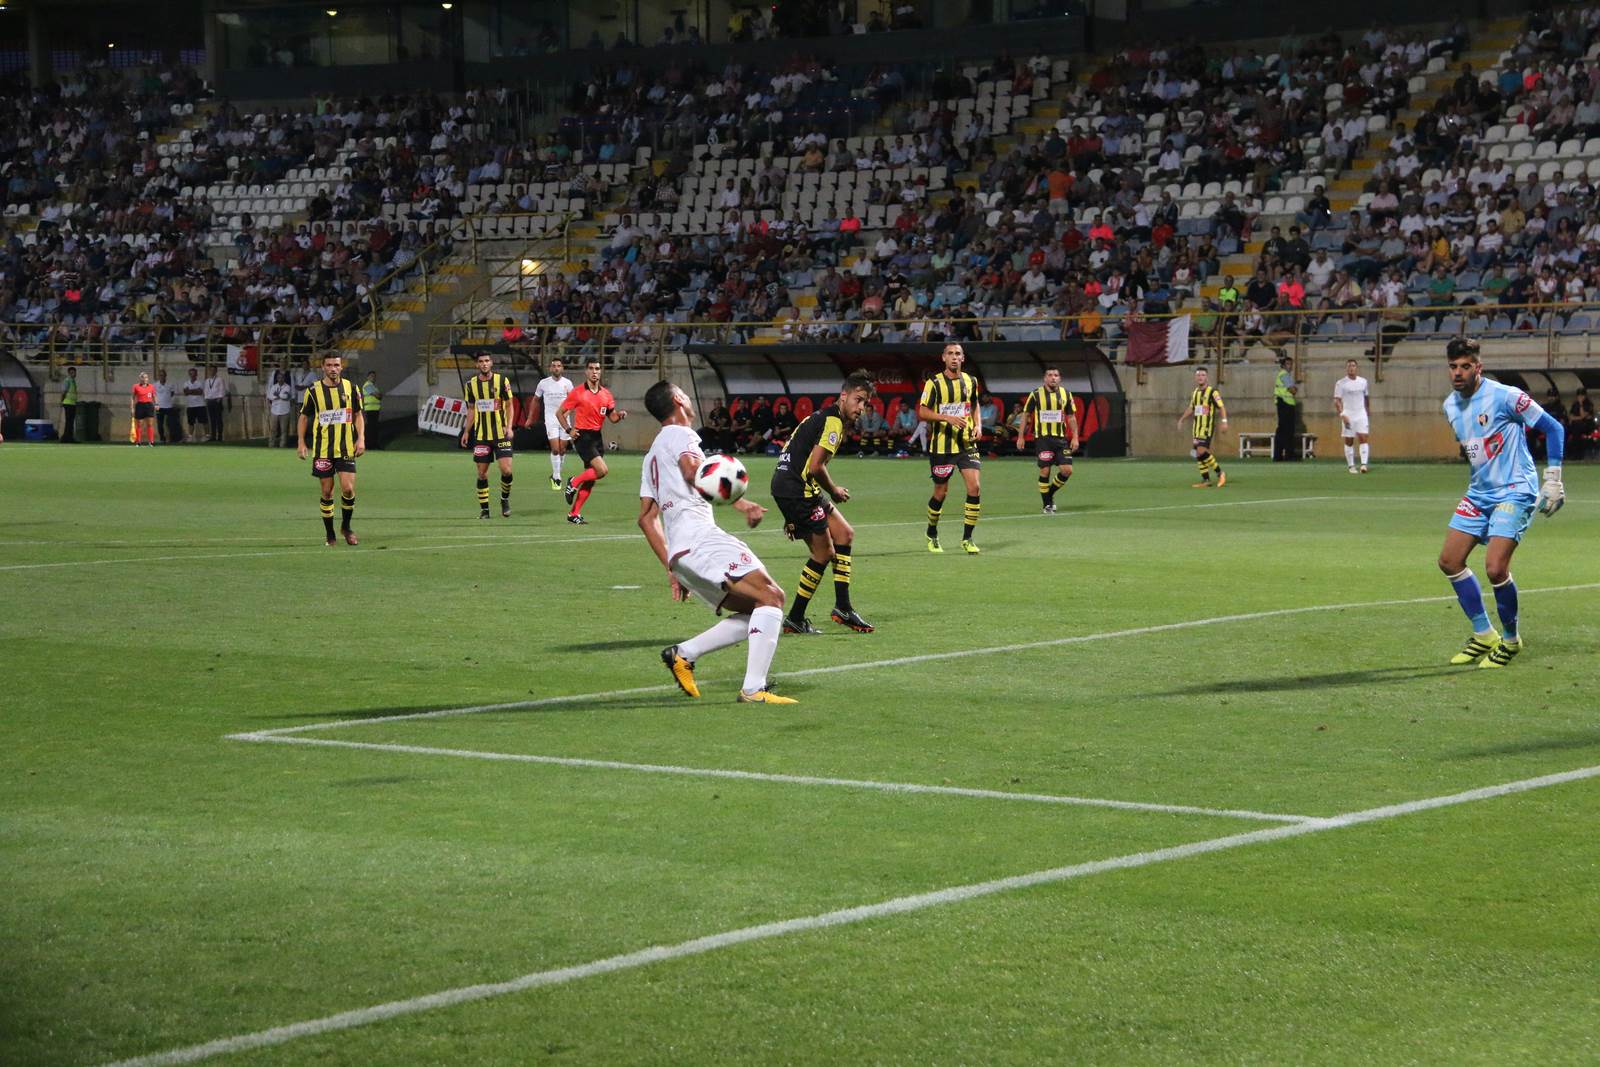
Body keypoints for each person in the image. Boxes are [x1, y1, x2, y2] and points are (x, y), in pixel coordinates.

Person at [637, 379, 795, 705]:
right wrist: (741, 503)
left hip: (683, 553)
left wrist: (672, 567)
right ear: (679, 399)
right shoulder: (681, 434)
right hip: (701, 539)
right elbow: (691, 469)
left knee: (760, 609)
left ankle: (684, 654)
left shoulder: (652, 453)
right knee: (772, 597)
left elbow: (647, 518)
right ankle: (753, 690)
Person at [1437, 337, 1565, 669]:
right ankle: (1484, 635)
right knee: (1450, 561)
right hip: (1479, 493)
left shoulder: (1506, 396)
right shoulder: (1450, 406)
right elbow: (1478, 450)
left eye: (1465, 366)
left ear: (1478, 367)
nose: (1458, 373)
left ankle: (1510, 639)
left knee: (1495, 567)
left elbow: (1553, 428)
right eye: (1453, 367)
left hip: (1515, 490)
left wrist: (1553, 478)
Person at [770, 371, 877, 635]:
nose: (861, 408)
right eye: (858, 400)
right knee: (823, 553)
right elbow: (816, 466)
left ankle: (842, 606)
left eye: (865, 403)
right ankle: (795, 618)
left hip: (794, 487)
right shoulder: (833, 423)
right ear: (844, 395)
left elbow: (794, 452)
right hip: (798, 490)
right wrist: (835, 490)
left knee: (844, 533)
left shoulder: (820, 416)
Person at [917, 343, 983, 554]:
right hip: (942, 446)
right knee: (941, 492)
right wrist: (947, 418)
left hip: (966, 444)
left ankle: (968, 538)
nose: (954, 357)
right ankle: (932, 532)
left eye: (958, 354)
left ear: (963, 358)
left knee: (974, 487)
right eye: (951, 354)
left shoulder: (971, 381)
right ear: (943, 358)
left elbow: (974, 404)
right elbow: (922, 412)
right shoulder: (934, 383)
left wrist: (978, 424)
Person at [297, 352, 366, 546]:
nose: (333, 369)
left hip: (345, 448)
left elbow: (359, 415)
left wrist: (361, 439)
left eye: (336, 365)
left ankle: (346, 526)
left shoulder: (351, 388)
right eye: (329, 365)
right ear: (323, 367)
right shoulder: (313, 390)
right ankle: (330, 534)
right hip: (323, 449)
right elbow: (303, 417)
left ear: (341, 367)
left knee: (348, 489)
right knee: (327, 492)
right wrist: (301, 442)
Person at [560, 358, 627, 524]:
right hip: (583, 437)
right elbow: (560, 413)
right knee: (602, 471)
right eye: (591, 368)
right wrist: (569, 430)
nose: (594, 371)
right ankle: (573, 482)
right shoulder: (577, 392)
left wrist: (619, 416)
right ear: (586, 371)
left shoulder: (606, 394)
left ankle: (573, 514)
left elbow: (611, 417)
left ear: (600, 371)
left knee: (591, 481)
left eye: (597, 368)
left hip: (597, 437)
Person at [460, 353, 517, 518]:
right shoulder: (471, 385)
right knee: (482, 473)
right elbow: (471, 409)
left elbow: (509, 405)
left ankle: (504, 500)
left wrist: (509, 426)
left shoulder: (501, 381)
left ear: (491, 363)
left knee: (506, 470)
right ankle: (485, 510)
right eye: (481, 362)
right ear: (477, 365)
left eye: (487, 361)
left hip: (501, 434)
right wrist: (466, 431)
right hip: (482, 436)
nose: (484, 364)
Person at [1018, 367, 1080, 513]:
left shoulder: (1066, 394)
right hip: (1043, 438)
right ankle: (1047, 504)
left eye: (1056, 375)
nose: (1053, 378)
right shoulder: (1035, 394)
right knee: (1045, 470)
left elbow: (1071, 417)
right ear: (1044, 378)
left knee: (1067, 470)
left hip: (1061, 439)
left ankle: (1049, 494)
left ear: (1060, 378)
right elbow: (1026, 415)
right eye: (1050, 375)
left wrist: (1075, 437)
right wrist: (1021, 437)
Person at [1176, 366, 1228, 488]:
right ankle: (1206, 480)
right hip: (1196, 428)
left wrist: (1224, 421)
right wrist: (1182, 419)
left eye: (1203, 375)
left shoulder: (1212, 392)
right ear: (1195, 377)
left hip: (1206, 427)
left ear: (1207, 377)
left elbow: (1221, 407)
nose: (1200, 377)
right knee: (1197, 454)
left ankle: (1220, 473)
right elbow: (1191, 408)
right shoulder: (1195, 393)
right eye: (1198, 375)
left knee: (1200, 451)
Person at [531, 357, 575, 489]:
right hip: (550, 420)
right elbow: (535, 399)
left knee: (562, 449)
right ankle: (557, 476)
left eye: (558, 365)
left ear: (562, 368)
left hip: (565, 421)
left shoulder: (568, 383)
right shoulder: (543, 383)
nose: (556, 368)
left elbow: (573, 402)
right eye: (554, 366)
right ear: (550, 368)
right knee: (555, 449)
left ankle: (557, 472)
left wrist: (566, 414)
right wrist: (530, 418)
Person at [1332, 358, 1372, 473]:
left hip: (1361, 413)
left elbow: (1366, 397)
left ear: (1356, 368)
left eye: (1353, 366)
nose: (1351, 368)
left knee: (1363, 437)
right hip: (1348, 413)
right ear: (1346, 368)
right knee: (1349, 440)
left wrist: (1367, 410)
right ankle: (1351, 466)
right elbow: (1337, 400)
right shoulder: (1341, 383)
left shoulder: (1363, 381)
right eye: (1349, 366)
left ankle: (1364, 465)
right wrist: (1342, 414)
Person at [1272, 354, 1299, 461]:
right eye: (1288, 364)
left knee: (1283, 430)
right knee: (1287, 431)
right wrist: (1294, 389)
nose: (1290, 366)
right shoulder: (1284, 375)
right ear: (1283, 365)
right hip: (1285, 404)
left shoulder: (1283, 375)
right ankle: (1288, 455)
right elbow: (1293, 390)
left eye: (1291, 364)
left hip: (1284, 404)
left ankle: (1279, 455)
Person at [266, 371, 295, 447]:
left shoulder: (287, 387)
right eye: (279, 378)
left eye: (282, 377)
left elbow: (285, 396)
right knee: (273, 430)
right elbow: (270, 396)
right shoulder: (274, 387)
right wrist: (280, 396)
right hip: (274, 411)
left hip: (285, 411)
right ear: (277, 379)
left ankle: (282, 445)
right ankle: (271, 445)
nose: (280, 379)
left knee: (284, 430)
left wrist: (278, 395)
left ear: (284, 378)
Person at [130, 372, 157, 446]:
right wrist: (132, 408)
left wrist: (156, 404)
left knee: (150, 424)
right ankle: (138, 442)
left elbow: (154, 396)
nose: (145, 379)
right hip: (140, 405)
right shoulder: (136, 386)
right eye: (143, 377)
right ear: (140, 378)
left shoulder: (151, 386)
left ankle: (151, 441)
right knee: (139, 424)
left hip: (149, 405)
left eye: (146, 377)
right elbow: (132, 397)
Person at [154, 369, 180, 444]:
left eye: (163, 375)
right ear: (158, 376)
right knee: (160, 424)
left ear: (165, 376)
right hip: (159, 407)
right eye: (160, 375)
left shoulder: (170, 384)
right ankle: (162, 438)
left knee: (171, 423)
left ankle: (173, 438)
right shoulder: (155, 385)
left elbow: (172, 393)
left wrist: (166, 399)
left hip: (168, 406)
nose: (161, 377)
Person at [203, 366, 228, 442]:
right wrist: (206, 398)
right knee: (212, 419)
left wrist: (219, 398)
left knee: (218, 419)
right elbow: (206, 390)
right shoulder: (207, 380)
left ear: (216, 371)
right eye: (211, 370)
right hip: (210, 401)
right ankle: (213, 436)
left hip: (217, 401)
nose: (212, 372)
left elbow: (222, 389)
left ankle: (220, 436)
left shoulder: (219, 379)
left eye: (213, 370)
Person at [182, 367, 206, 442]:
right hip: (190, 405)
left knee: (204, 421)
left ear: (196, 374)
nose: (192, 375)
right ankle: (190, 436)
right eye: (191, 374)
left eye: (194, 374)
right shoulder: (186, 383)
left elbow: (200, 392)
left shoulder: (200, 382)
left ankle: (207, 435)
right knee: (191, 422)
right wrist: (195, 391)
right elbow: (186, 393)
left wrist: (190, 391)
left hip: (200, 404)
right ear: (189, 374)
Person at [361, 371, 382, 444]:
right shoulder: (367, 385)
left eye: (374, 376)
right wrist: (378, 394)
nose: (373, 378)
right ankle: (370, 444)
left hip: (375, 409)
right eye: (371, 376)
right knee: (371, 428)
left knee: (373, 428)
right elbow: (378, 396)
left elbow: (380, 395)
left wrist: (379, 395)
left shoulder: (373, 386)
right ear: (368, 377)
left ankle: (373, 443)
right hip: (370, 409)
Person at [59, 366, 79, 443]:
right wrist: (61, 401)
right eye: (72, 372)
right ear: (69, 373)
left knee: (70, 422)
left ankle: (69, 437)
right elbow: (64, 392)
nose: (74, 374)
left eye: (74, 372)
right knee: (69, 421)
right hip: (68, 403)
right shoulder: (67, 381)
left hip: (72, 403)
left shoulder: (72, 381)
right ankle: (66, 438)